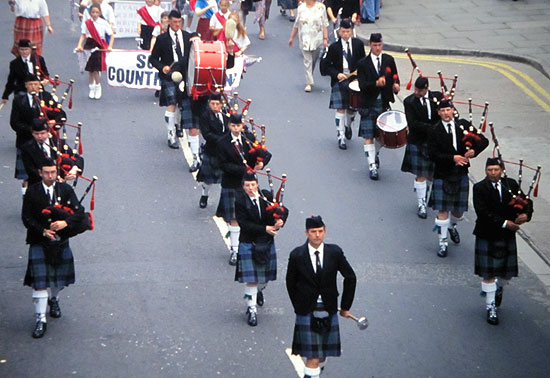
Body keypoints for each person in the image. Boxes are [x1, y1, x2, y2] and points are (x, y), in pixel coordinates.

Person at [22, 159, 86, 338]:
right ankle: (40, 319)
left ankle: (54, 299)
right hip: (39, 240)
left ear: (56, 172)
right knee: (39, 282)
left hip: (61, 240)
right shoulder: (32, 192)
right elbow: (26, 217)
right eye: (46, 172)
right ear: (40, 173)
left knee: (57, 280)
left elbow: (80, 212)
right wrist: (43, 231)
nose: (50, 176)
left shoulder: (65, 189)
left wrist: (65, 221)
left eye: (53, 172)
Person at [286, 215, 356, 378]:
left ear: (325, 232)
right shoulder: (297, 255)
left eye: (320, 231)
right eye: (313, 232)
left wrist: (345, 307)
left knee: (321, 355)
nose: (317, 235)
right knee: (313, 357)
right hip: (306, 309)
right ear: (306, 233)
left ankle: (317, 371)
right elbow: (290, 282)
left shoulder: (334, 252)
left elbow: (350, 277)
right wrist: (298, 306)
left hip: (329, 307)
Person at [473, 158, 532, 325]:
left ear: (502, 170)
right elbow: (482, 212)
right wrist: (506, 223)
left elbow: (526, 202)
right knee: (488, 274)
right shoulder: (479, 188)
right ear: (485, 170)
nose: (493, 173)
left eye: (496, 170)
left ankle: (499, 288)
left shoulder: (511, 185)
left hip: (506, 237)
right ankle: (490, 307)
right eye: (490, 169)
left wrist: (526, 214)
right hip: (487, 233)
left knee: (506, 275)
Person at [427, 99, 488, 257]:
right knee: (443, 210)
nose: (446, 113)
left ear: (453, 110)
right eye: (443, 110)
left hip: (460, 174)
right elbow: (432, 154)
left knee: (459, 212)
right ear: (438, 112)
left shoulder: (463, 126)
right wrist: (452, 158)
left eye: (449, 109)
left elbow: (484, 141)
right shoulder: (434, 130)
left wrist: (474, 151)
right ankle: (443, 243)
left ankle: (451, 226)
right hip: (443, 173)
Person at [216, 114, 271, 265]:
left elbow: (265, 153)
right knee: (234, 218)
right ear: (229, 126)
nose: (236, 128)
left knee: (251, 216)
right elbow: (223, 165)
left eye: (238, 126)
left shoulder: (248, 139)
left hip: (249, 184)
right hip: (232, 183)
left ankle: (247, 244)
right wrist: (246, 169)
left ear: (242, 126)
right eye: (233, 126)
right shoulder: (222, 143)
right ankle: (235, 250)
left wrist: (261, 164)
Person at [235, 172, 287, 326]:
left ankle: (259, 290)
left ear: (257, 184)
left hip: (265, 243)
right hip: (248, 242)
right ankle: (252, 309)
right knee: (251, 280)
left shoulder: (266, 197)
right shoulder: (240, 201)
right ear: (243, 187)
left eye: (252, 184)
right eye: (247, 185)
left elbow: (284, 210)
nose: (250, 188)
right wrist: (266, 228)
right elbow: (244, 224)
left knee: (263, 280)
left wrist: (280, 221)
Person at [10, 74, 65, 196]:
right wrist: (34, 131)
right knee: (27, 174)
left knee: (47, 171)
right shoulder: (19, 100)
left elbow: (61, 115)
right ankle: (27, 197)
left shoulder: (47, 97)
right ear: (25, 85)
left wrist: (54, 122)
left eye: (35, 84)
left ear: (39, 84)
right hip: (25, 141)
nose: (33, 87)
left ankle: (48, 196)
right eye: (30, 84)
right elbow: (14, 123)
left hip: (47, 141)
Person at [356, 33, 399, 180]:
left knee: (382, 137)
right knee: (368, 136)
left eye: (379, 45)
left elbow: (394, 76)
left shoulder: (388, 60)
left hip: (384, 102)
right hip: (368, 103)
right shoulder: (363, 63)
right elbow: (362, 85)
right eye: (374, 45)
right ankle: (372, 166)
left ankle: (375, 153)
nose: (377, 48)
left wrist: (395, 85)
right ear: (370, 45)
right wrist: (375, 83)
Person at [400, 77, 442, 219]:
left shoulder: (437, 97)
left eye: (420, 90)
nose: (416, 92)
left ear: (426, 88)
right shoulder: (409, 101)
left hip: (435, 143)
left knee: (430, 174)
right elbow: (413, 123)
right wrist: (434, 129)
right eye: (415, 89)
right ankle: (421, 203)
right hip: (418, 141)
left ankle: (423, 192)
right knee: (421, 174)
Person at [321, 19, 365, 149]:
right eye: (343, 31)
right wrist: (336, 74)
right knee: (340, 108)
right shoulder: (334, 47)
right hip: (339, 81)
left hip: (354, 81)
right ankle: (341, 136)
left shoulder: (358, 45)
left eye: (348, 31)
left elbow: (363, 61)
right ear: (339, 32)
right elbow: (327, 66)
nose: (345, 34)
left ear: (351, 31)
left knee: (353, 108)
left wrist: (359, 72)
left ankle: (348, 125)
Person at [75, 3, 115, 100]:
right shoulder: (87, 23)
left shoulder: (104, 23)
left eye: (97, 12)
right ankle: (91, 88)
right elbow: (83, 34)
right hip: (89, 44)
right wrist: (79, 45)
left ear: (100, 13)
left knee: (96, 69)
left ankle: (98, 87)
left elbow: (111, 35)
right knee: (90, 68)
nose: (95, 14)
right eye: (93, 12)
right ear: (90, 13)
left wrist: (110, 46)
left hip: (99, 44)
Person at [288, 0, 329, 93]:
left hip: (317, 39)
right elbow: (296, 24)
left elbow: (325, 24)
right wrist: (291, 38)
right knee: (307, 61)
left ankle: (310, 74)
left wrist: (325, 38)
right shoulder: (301, 8)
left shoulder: (321, 7)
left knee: (313, 60)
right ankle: (308, 82)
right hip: (304, 38)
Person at [197, 93, 229, 208]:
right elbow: (207, 134)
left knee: (227, 179)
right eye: (212, 104)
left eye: (217, 104)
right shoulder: (205, 116)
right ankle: (204, 195)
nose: (215, 106)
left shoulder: (226, 115)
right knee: (208, 179)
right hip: (212, 150)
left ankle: (224, 202)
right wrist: (223, 140)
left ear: (221, 104)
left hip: (226, 153)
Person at [2, 39, 49, 105]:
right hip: (22, 91)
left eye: (26, 49)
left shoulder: (38, 59)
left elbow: (45, 74)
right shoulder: (14, 64)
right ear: (18, 50)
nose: (24, 52)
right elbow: (11, 81)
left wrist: (45, 80)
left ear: (30, 49)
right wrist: (5, 96)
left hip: (37, 89)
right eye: (22, 49)